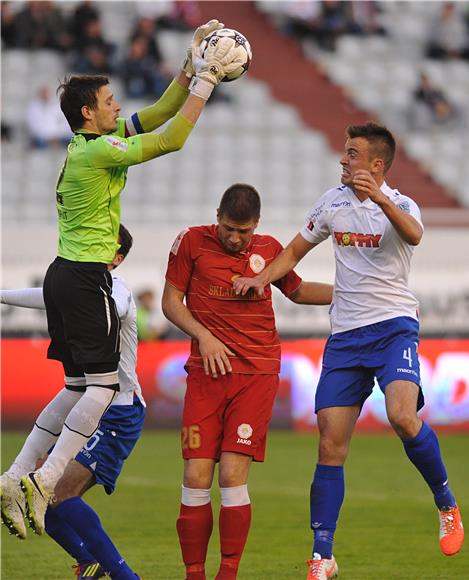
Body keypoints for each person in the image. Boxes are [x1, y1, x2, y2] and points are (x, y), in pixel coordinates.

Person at [3, 18, 244, 540]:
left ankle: (14, 476)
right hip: (86, 278)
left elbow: (157, 113)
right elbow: (171, 138)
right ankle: (44, 480)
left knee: (74, 386)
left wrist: (189, 62)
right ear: (88, 113)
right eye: (109, 100)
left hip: (63, 275)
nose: (117, 106)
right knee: (105, 386)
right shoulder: (96, 151)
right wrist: (208, 79)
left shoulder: (93, 142)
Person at [233, 122, 465, 579]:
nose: (343, 159)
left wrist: (379, 198)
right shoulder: (331, 203)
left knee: (402, 416)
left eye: (352, 153)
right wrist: (263, 278)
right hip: (345, 337)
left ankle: (446, 502)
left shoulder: (400, 204)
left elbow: (415, 235)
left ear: (376, 165)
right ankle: (323, 555)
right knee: (329, 444)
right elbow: (294, 251)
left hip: (394, 328)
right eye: (345, 152)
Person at [162, 183, 333, 580]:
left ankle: (228, 573)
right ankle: (193, 574)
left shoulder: (270, 250)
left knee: (232, 476)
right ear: (217, 215)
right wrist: (204, 336)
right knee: (195, 476)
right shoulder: (190, 241)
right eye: (229, 229)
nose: (236, 239)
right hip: (206, 374)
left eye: (245, 231)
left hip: (256, 375)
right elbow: (173, 302)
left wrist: (351, 293)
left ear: (257, 225)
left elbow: (300, 290)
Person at [1, 225, 145, 580]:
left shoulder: (117, 288)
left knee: (58, 491)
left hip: (118, 412)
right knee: (40, 492)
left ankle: (126, 578)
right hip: (86, 408)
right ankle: (89, 565)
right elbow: (48, 296)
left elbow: (121, 304)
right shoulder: (82, 289)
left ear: (117, 257)